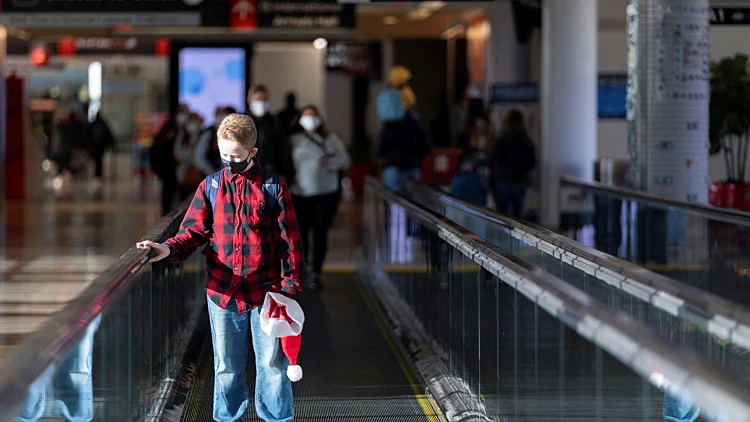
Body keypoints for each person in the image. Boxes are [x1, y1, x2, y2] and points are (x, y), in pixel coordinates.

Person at [136, 113, 304, 422]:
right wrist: (167, 248)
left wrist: (289, 288)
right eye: (224, 154)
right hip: (222, 294)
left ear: (252, 153)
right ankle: (229, 418)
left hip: (266, 295)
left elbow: (288, 242)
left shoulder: (273, 188)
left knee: (273, 366)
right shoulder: (210, 187)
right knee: (226, 367)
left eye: (236, 157)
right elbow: (193, 232)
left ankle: (277, 418)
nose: (229, 161)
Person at [289, 105, 350, 290]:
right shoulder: (294, 140)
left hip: (325, 194)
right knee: (301, 234)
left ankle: (316, 272)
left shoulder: (331, 139)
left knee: (320, 232)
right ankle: (302, 269)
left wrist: (327, 163)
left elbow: (345, 160)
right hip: (299, 194)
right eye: (306, 117)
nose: (310, 120)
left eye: (314, 116)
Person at [487, 109, 536, 218]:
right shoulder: (526, 140)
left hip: (503, 180)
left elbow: (491, 159)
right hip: (520, 181)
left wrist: (492, 179)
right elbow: (532, 162)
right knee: (518, 216)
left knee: (502, 216)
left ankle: (502, 235)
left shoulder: (501, 138)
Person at [247, 85, 290, 179]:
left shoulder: (275, 122)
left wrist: (284, 172)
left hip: (270, 172)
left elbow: (283, 148)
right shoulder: (242, 121)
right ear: (250, 99)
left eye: (264, 99)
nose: (261, 103)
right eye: (258, 99)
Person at [194, 106, 235, 176]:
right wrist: (209, 171)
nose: (220, 117)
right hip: (209, 174)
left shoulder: (234, 134)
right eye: (218, 114)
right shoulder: (208, 133)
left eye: (222, 114)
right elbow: (199, 154)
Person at [174, 112, 204, 200]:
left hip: (200, 175)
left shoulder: (204, 135)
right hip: (183, 176)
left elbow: (202, 154)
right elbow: (177, 153)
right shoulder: (182, 137)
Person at [86, 111, 115, 185]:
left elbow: (87, 135)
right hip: (100, 146)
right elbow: (108, 135)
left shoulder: (92, 124)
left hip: (94, 146)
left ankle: (96, 175)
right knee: (99, 161)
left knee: (96, 161)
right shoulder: (103, 124)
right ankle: (98, 175)